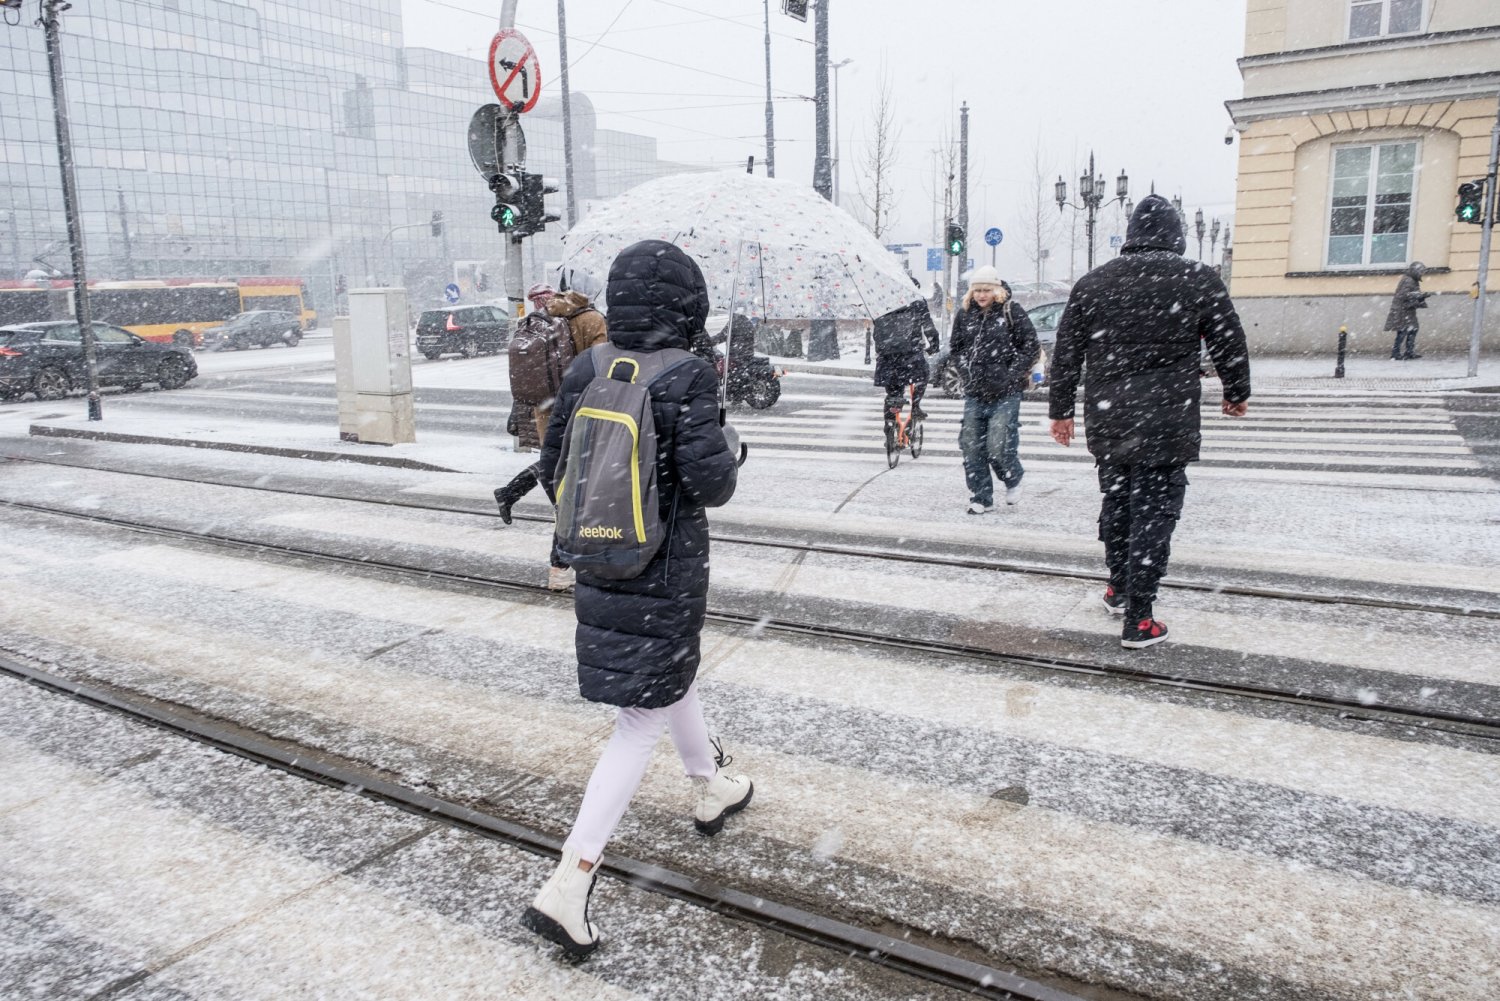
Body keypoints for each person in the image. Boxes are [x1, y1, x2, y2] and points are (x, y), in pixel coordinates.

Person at [524, 239, 751, 957]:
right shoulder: (688, 372)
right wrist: (729, 440)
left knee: (667, 674)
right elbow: (712, 484)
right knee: (639, 716)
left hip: (604, 554)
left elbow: (551, 463)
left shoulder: (591, 363)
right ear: (689, 303)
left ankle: (710, 782)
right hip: (666, 564)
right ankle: (572, 875)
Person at [1048, 194, 1251, 650]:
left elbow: (1067, 354)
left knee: (1118, 502)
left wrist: (1060, 410)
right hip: (1167, 415)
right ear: (1176, 235)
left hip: (1110, 416)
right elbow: (1228, 340)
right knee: (1154, 512)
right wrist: (1236, 392)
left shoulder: (1094, 283)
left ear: (1132, 233)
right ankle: (1140, 618)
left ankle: (1119, 587)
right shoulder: (1197, 278)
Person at [493, 283, 577, 591]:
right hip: (564, 407)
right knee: (566, 493)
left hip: (544, 409)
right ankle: (561, 565)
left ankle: (509, 492)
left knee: (555, 466)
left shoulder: (530, 326)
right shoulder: (563, 324)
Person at [949, 266, 1039, 513]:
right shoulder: (965, 314)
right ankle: (981, 497)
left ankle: (1013, 477)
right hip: (975, 391)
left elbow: (1030, 346)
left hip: (1006, 392)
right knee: (970, 445)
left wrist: (1011, 374)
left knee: (998, 444)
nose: (981, 294)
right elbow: (955, 349)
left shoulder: (1012, 312)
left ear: (997, 290)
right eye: (977, 290)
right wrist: (965, 372)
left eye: (986, 289)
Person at [872, 299, 940, 422]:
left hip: (887, 357)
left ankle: (890, 428)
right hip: (910, 355)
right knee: (923, 375)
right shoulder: (917, 300)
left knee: (893, 394)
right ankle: (915, 406)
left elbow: (877, 331)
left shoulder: (881, 299)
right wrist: (934, 345)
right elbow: (928, 326)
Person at [1384, 261, 1430, 360]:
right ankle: (1395, 353)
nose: (1422, 274)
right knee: (1402, 332)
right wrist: (1419, 295)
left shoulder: (1413, 280)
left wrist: (1421, 297)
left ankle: (1409, 352)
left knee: (1413, 329)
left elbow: (1411, 294)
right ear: (1415, 271)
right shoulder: (1408, 280)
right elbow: (1403, 295)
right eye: (1421, 271)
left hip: (1408, 310)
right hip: (1402, 310)